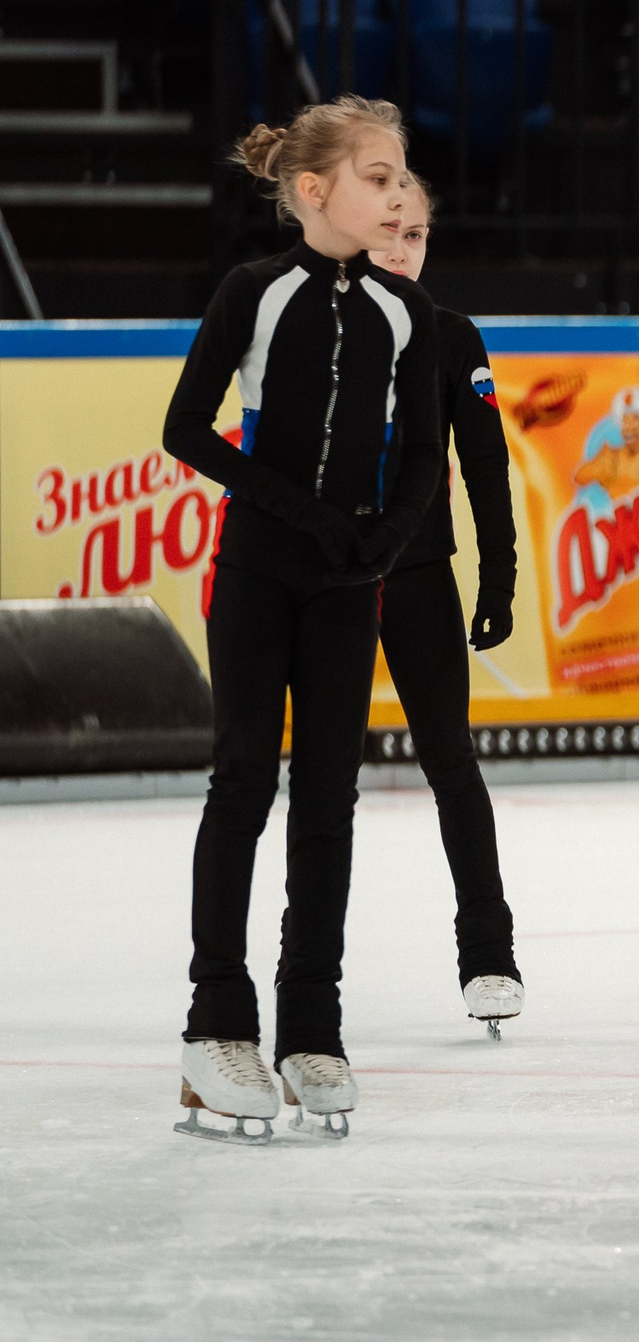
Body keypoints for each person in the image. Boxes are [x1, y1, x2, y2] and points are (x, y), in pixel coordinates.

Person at [161, 97, 441, 1143]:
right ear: (315, 190)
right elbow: (186, 428)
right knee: (242, 782)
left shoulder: (402, 312)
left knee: (330, 799)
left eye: (401, 176)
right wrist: (310, 518)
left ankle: (310, 1025)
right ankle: (215, 1020)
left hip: (348, 584)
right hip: (261, 573)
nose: (397, 194)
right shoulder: (254, 292)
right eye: (377, 177)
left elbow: (420, 450)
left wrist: (384, 538)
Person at [373, 183, 526, 1038]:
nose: (404, 249)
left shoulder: (451, 335)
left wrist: (497, 579)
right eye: (391, 232)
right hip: (326, 582)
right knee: (310, 780)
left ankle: (490, 956)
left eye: (418, 234)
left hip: (420, 574)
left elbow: (487, 466)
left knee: (451, 764)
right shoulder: (309, 324)